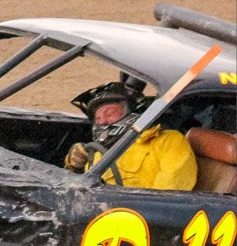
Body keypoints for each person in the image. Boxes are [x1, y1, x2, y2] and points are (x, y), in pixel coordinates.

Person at [64, 81, 198, 190]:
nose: (103, 121)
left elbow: (168, 196)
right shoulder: (97, 150)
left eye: (110, 113)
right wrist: (73, 165)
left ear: (134, 111)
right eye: (98, 118)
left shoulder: (169, 141)